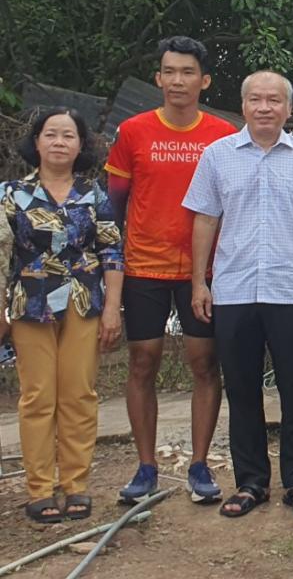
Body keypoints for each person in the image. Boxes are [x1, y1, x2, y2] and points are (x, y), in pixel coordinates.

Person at [183, 71, 293, 520]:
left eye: (274, 100)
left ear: (288, 109)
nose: (265, 107)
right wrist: (199, 282)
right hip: (233, 290)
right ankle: (250, 482)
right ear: (244, 105)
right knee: (242, 388)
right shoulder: (217, 155)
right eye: (256, 99)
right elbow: (205, 220)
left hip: (291, 289)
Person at [105, 36, 237, 505]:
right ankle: (146, 468)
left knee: (204, 362)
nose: (177, 81)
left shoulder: (223, 134)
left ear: (205, 81)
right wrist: (112, 273)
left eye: (187, 72)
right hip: (144, 266)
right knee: (143, 361)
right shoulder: (133, 131)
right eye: (169, 71)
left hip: (205, 270)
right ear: (158, 78)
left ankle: (200, 465)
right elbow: (113, 208)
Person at [1, 108, 124, 523]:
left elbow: (112, 252)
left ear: (80, 145)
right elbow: (1, 254)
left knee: (78, 394)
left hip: (82, 300)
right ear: (36, 142)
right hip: (29, 303)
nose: (59, 142)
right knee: (37, 397)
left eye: (68, 135)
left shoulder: (94, 194)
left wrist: (112, 308)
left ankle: (75, 485)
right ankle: (39, 488)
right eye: (50, 134)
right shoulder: (12, 194)